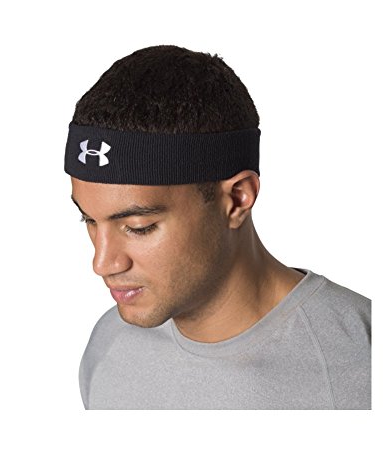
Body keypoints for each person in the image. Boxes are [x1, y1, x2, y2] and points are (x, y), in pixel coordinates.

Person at [64, 45, 371, 410]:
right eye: (89, 220)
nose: (102, 263)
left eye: (138, 226)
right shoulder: (111, 345)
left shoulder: (360, 363)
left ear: (237, 199)